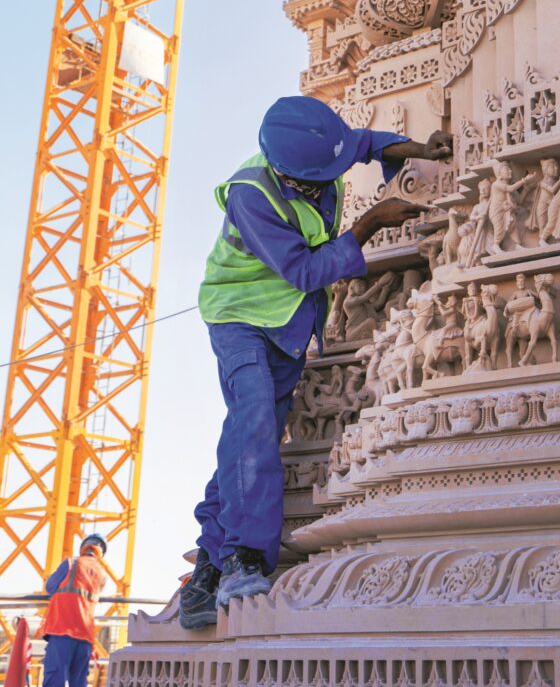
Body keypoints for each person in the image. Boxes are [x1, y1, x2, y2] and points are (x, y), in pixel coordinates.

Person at [180, 95, 452, 628]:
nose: (330, 179)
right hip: (239, 316)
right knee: (254, 420)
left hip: (286, 323)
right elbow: (304, 271)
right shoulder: (252, 197)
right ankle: (243, 559)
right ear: (288, 172)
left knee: (248, 434)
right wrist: (370, 222)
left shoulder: (317, 149)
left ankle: (209, 560)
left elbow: (369, 143)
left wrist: (424, 148)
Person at [39, 533, 107, 687]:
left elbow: (50, 587)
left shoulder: (71, 563)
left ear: (83, 547)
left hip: (62, 630)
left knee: (54, 680)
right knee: (79, 682)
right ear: (101, 553)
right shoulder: (102, 575)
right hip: (85, 636)